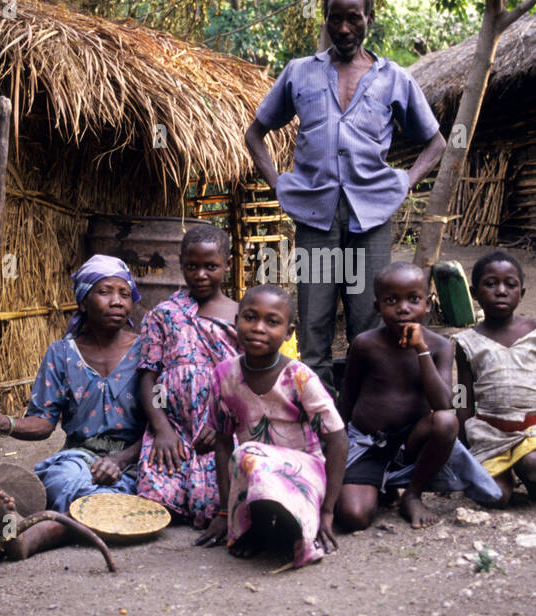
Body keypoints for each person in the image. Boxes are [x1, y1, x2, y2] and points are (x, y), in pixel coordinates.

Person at [245, 0, 447, 394]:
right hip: (315, 218)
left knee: (368, 321)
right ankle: (318, 421)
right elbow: (254, 134)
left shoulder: (394, 78)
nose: (343, 29)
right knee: (314, 323)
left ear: (369, 19)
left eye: (353, 19)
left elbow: (436, 141)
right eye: (335, 18)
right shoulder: (300, 73)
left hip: (370, 217)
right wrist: (281, 186)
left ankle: (362, 417)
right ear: (325, 20)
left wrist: (404, 183)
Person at [0, 255, 145, 558]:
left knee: (140, 492)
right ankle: (71, 521)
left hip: (136, 456)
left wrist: (120, 461)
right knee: (63, 481)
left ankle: (38, 532)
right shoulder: (62, 354)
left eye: (124, 294)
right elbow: (43, 422)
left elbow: (165, 423)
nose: (117, 301)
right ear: (83, 302)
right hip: (80, 457)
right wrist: (3, 423)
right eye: (105, 292)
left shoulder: (148, 349)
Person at [336, 262, 500, 530]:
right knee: (353, 516)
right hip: (368, 444)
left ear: (428, 306)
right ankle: (380, 486)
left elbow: (443, 403)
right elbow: (348, 397)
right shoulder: (365, 344)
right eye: (391, 300)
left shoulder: (440, 346)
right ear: (377, 307)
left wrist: (421, 350)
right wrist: (338, 444)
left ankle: (412, 494)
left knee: (447, 421)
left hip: (412, 445)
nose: (403, 308)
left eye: (413, 299)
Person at [196, 285, 347, 567]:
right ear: (236, 321)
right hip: (254, 473)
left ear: (289, 333)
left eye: (272, 321)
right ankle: (262, 529)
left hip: (302, 471)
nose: (259, 328)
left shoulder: (299, 377)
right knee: (248, 457)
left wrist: (328, 511)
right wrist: (223, 514)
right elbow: (223, 443)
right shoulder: (225, 374)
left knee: (251, 454)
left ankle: (287, 529)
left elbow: (338, 440)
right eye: (250, 317)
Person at [135, 225, 240, 529]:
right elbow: (149, 377)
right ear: (180, 265)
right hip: (175, 428)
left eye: (211, 266)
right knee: (153, 497)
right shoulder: (164, 314)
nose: (201, 274)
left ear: (228, 265)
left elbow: (245, 380)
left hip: (219, 430)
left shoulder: (240, 315)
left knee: (212, 502)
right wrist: (161, 428)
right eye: (192, 266)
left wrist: (224, 421)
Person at [454, 250, 536, 505]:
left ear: (522, 293)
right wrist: (463, 450)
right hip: (488, 435)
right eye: (490, 284)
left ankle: (532, 477)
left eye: (510, 284)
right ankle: (504, 476)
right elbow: (463, 396)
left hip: (532, 432)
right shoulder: (467, 342)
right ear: (474, 294)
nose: (501, 290)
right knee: (495, 497)